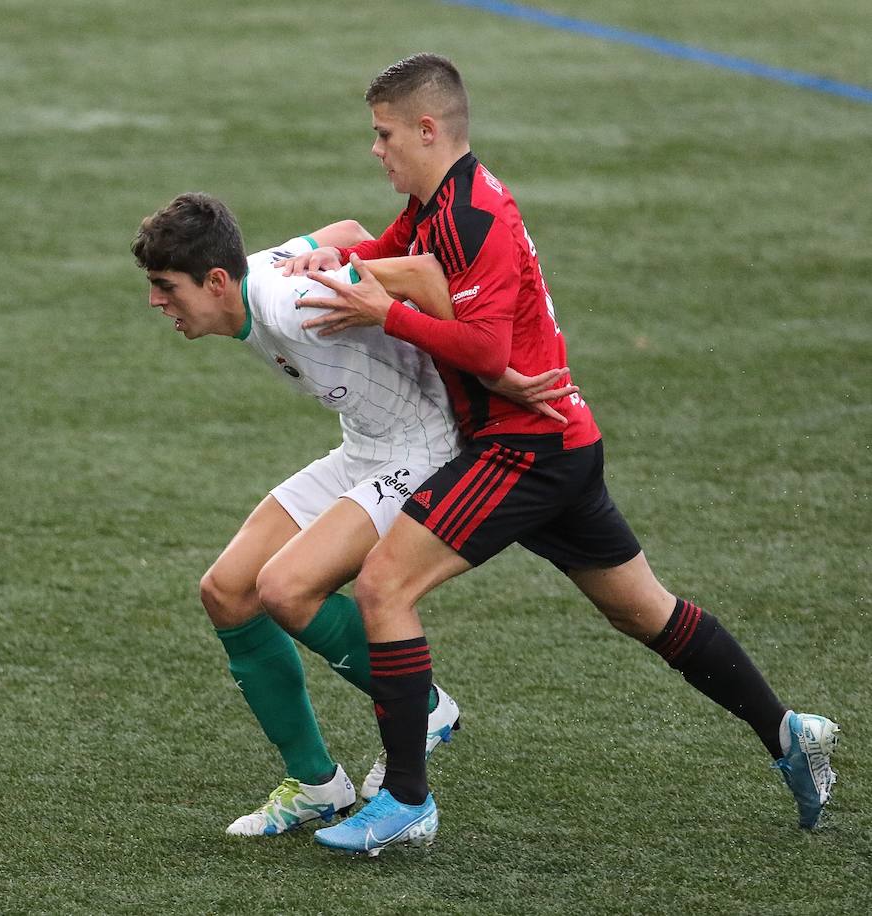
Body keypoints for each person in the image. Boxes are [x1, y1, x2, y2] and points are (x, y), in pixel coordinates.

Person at [279, 54, 840, 856]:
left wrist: (382, 309)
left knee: (384, 586)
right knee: (643, 611)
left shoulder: (475, 214)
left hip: (524, 447)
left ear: (428, 128)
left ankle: (405, 801)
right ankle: (789, 734)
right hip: (557, 442)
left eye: (384, 132)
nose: (376, 149)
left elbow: (482, 343)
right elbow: (388, 255)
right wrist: (332, 262)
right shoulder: (434, 203)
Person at [130, 192, 574, 837]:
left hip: (422, 449)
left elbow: (423, 272)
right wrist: (342, 253)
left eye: (165, 286)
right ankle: (317, 786)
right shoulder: (263, 273)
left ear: (218, 280)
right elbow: (347, 230)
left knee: (283, 587)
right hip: (364, 447)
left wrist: (497, 378)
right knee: (227, 592)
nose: (155, 301)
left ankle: (424, 707)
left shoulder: (290, 305)